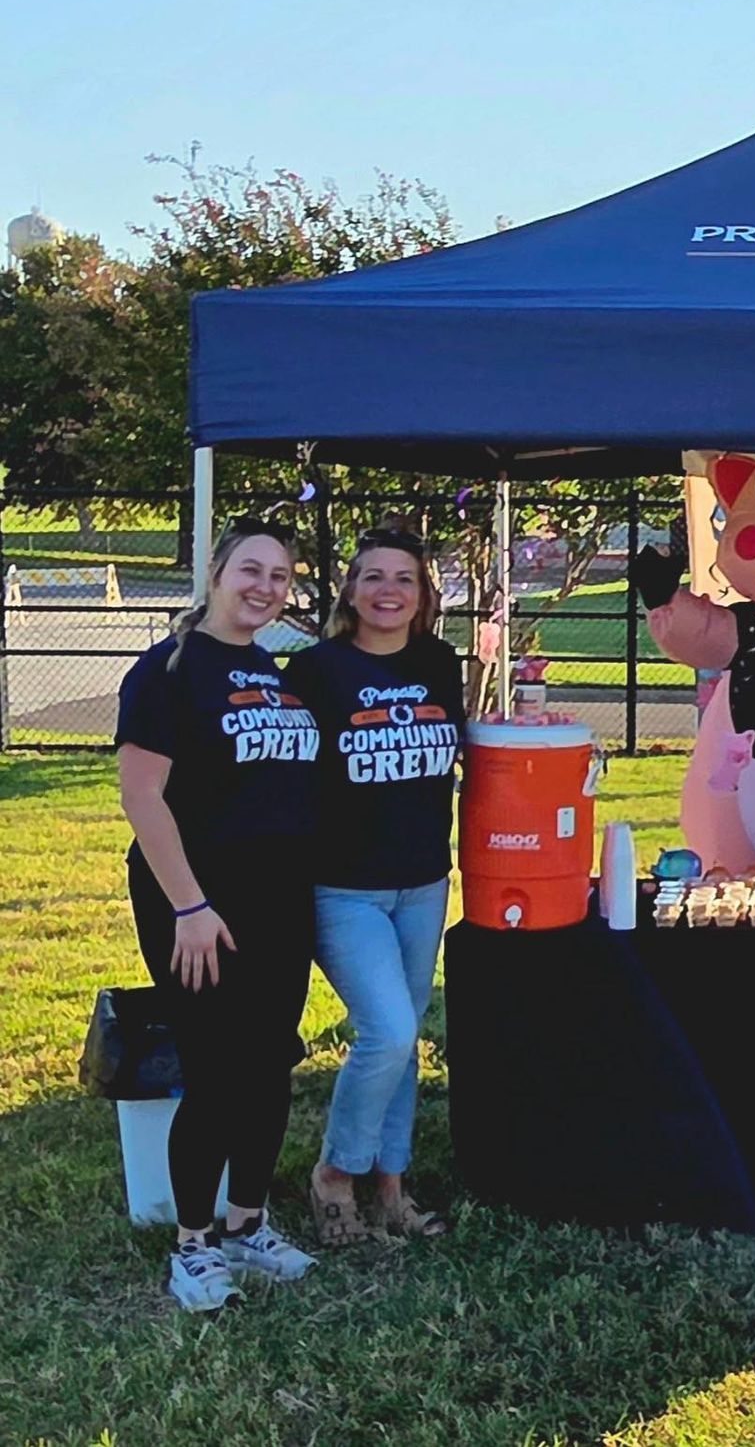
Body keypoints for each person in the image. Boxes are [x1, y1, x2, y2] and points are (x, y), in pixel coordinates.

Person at [116, 518, 322, 1312]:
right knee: (215, 1070)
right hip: (197, 905)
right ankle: (195, 1246)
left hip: (278, 901)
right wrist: (190, 907)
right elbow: (142, 798)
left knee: (270, 1063)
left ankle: (249, 1223)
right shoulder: (168, 670)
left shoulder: (273, 670)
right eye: (251, 568)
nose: (265, 586)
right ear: (216, 570)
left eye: (280, 575)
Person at [284, 527, 465, 1246]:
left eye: (405, 579)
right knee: (387, 1030)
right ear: (351, 591)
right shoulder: (314, 671)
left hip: (423, 881)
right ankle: (336, 1172)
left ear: (422, 597)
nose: (389, 591)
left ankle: (391, 1183)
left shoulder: (440, 663)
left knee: (408, 1035)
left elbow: (463, 750)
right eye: (374, 578)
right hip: (344, 886)